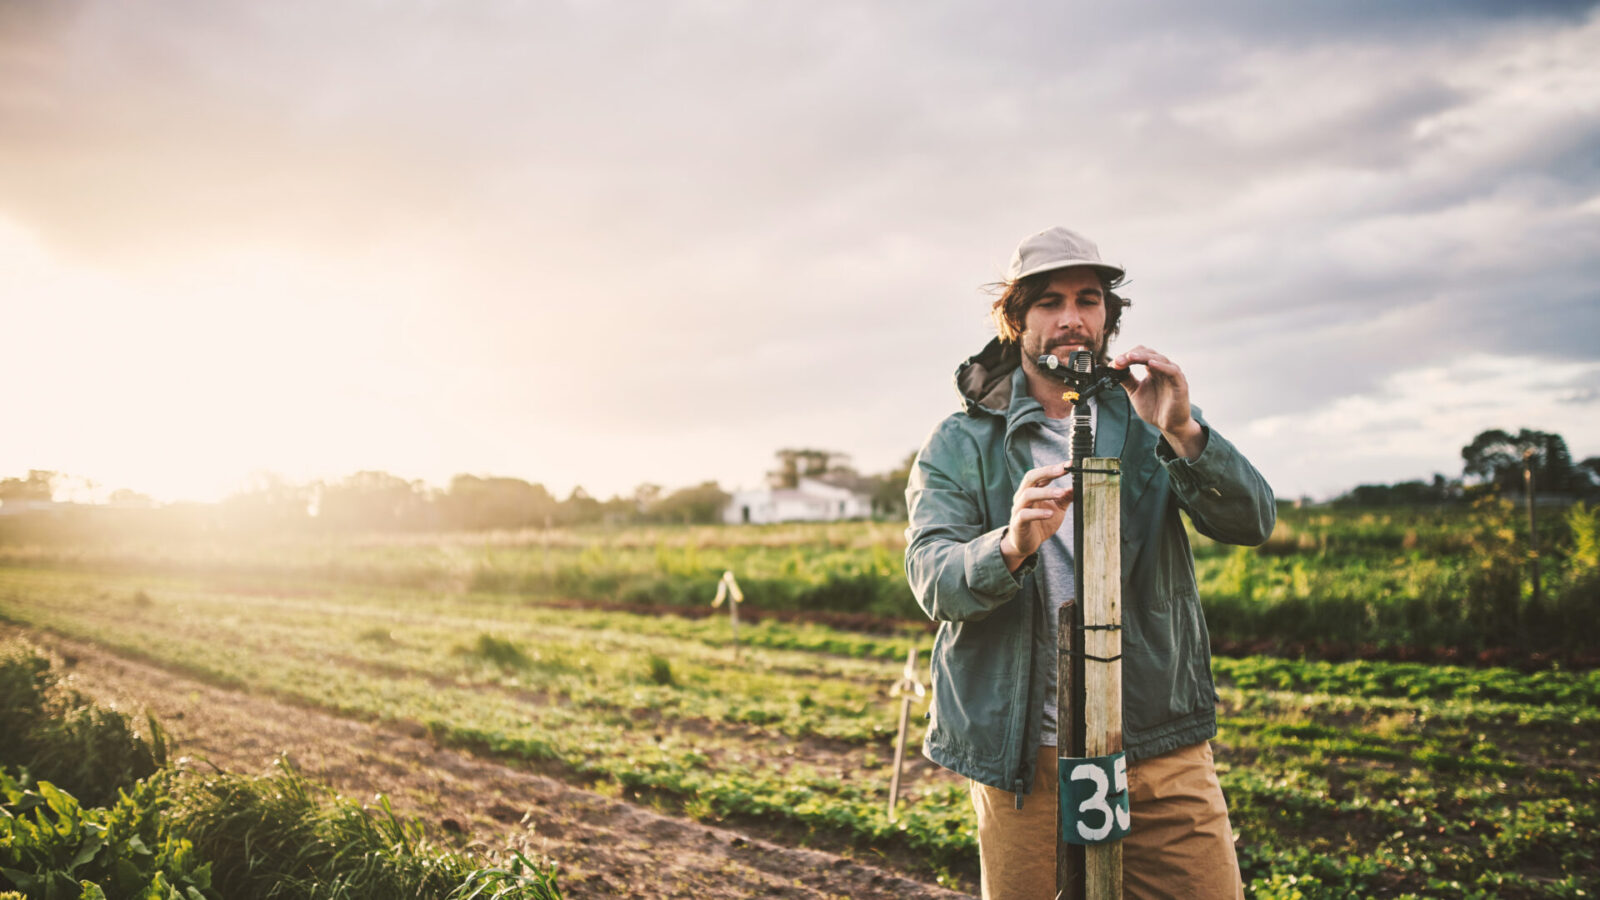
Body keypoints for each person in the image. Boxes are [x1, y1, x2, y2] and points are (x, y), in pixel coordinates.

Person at [904, 226, 1275, 899]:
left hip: (1156, 742)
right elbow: (933, 579)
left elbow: (1250, 521)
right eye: (1048, 302)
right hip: (1026, 757)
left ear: (1108, 316)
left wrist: (1183, 432)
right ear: (1015, 321)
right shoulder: (960, 442)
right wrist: (1009, 546)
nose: (1071, 319)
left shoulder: (1147, 417)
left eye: (1088, 300)